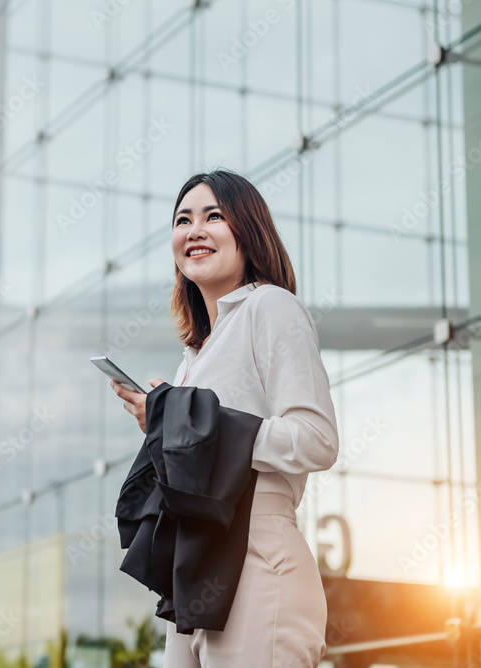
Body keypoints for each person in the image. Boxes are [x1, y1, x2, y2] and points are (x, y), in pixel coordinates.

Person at [109, 170, 340, 667]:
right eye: (183, 219)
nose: (195, 229)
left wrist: (188, 422)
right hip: (197, 564)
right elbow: (206, 447)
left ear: (247, 230)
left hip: (259, 556)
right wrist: (165, 425)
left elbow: (317, 440)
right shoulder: (194, 355)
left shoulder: (270, 307)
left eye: (213, 216)